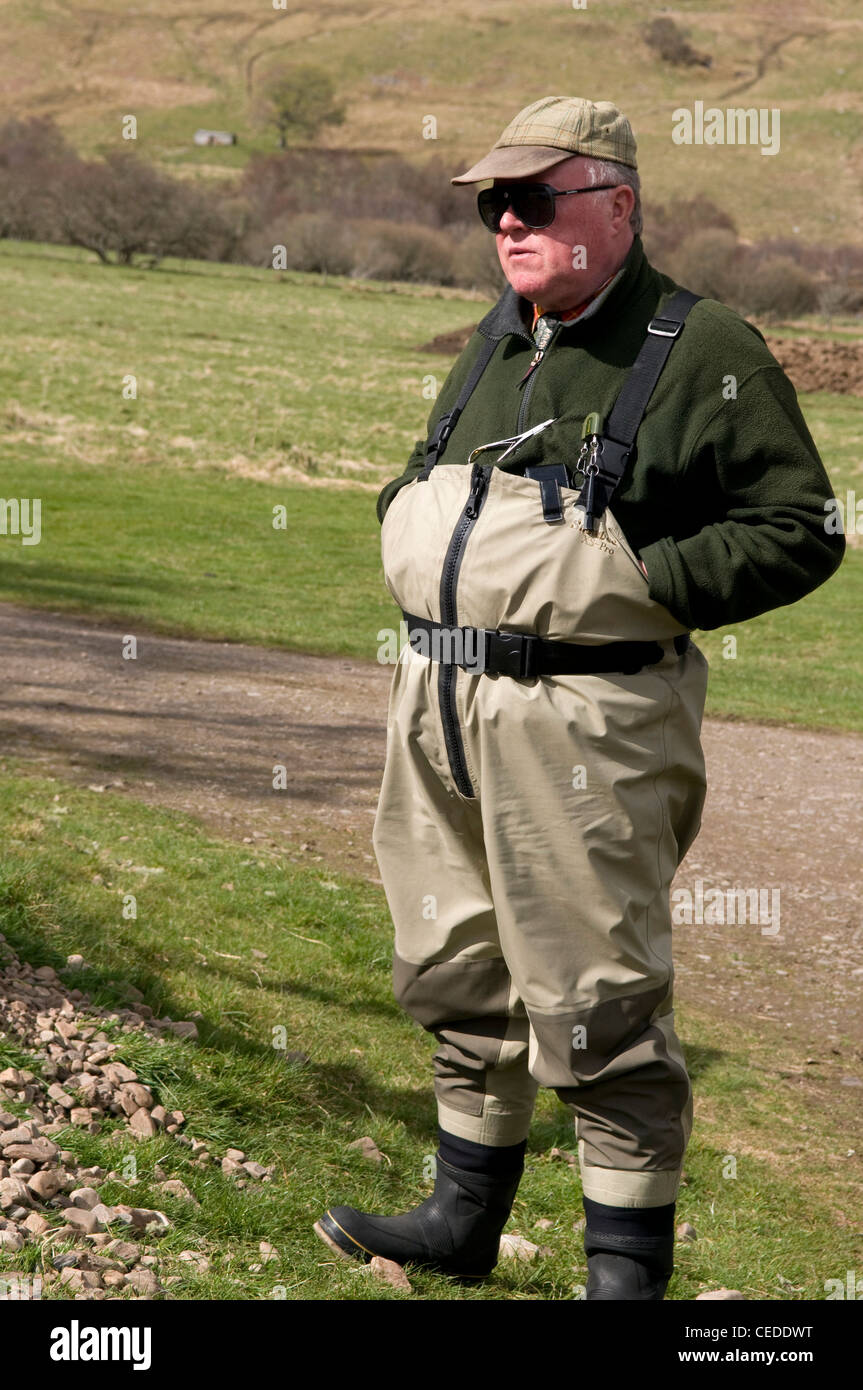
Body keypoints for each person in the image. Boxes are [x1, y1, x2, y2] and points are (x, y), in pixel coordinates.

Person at [314, 96, 845, 1299]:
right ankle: (460, 1221)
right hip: (437, 708)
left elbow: (802, 528)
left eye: (531, 199)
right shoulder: (497, 339)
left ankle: (622, 1276)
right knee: (453, 965)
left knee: (597, 1005)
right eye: (490, 206)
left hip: (583, 727)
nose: (504, 222)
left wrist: (643, 580)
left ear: (615, 202)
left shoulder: (702, 347)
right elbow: (419, 474)